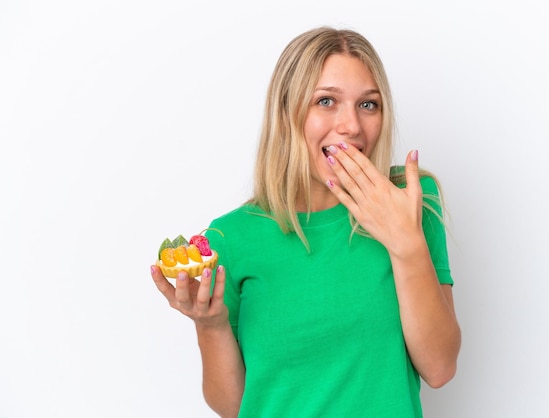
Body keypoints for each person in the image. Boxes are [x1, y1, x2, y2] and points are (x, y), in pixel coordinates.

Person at [151, 26, 461, 418]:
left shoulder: (410, 198)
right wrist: (210, 325)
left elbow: (439, 367)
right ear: (286, 113)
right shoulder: (232, 237)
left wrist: (406, 242)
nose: (351, 125)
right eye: (326, 101)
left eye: (369, 104)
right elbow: (234, 406)